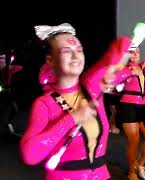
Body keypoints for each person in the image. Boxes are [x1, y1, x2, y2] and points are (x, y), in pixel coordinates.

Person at [20, 23, 131, 180]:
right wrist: (72, 119)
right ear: (50, 60)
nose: (75, 56)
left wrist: (114, 71)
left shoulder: (91, 88)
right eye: (67, 51)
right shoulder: (44, 104)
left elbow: (119, 52)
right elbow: (29, 155)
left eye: (79, 50)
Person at [114, 47, 145, 180]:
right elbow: (115, 83)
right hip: (128, 105)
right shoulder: (124, 69)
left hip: (143, 107)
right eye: (132, 51)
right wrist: (129, 72)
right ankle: (131, 172)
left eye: (137, 51)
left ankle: (139, 164)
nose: (135, 53)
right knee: (134, 139)